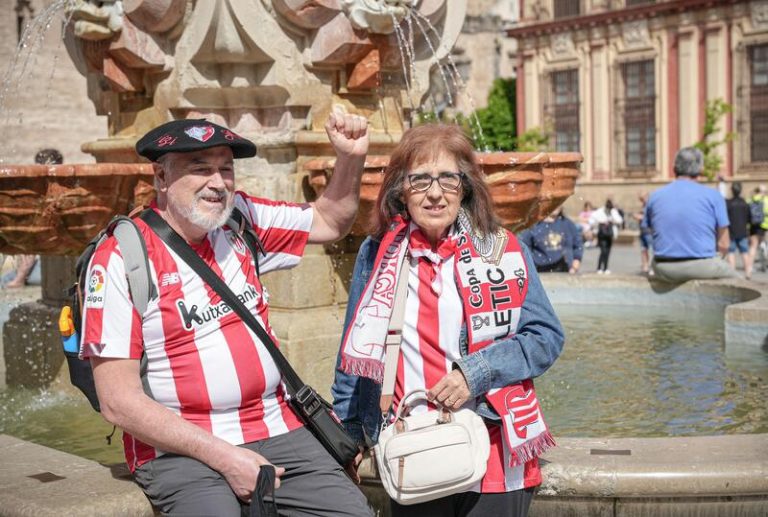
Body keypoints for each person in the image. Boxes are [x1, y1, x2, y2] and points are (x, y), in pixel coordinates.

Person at [80, 114, 374, 516]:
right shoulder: (121, 257)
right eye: (200, 168)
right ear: (161, 178)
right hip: (178, 449)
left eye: (226, 168)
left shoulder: (243, 221)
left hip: (278, 425)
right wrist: (225, 457)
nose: (218, 183)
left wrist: (349, 158)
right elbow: (118, 402)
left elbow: (329, 220)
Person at [332, 123, 564, 517]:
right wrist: (349, 436)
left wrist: (476, 372)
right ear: (400, 190)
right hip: (413, 450)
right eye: (420, 179)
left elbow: (545, 336)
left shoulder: (503, 248)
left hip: (494, 449)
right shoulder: (378, 254)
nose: (435, 193)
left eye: (448, 179)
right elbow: (353, 355)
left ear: (466, 186)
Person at [643, 147, 736, 282]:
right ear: (700, 169)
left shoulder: (654, 196)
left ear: (674, 168)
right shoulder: (714, 196)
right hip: (702, 266)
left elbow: (651, 230)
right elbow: (724, 244)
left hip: (663, 267)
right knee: (742, 283)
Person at [2, 149, 61, 288]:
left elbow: (32, 246)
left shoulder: (39, 196)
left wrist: (19, 278)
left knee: (4, 282)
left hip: (42, 268)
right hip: (52, 263)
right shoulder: (65, 190)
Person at [519, 206, 583, 273]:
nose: (557, 205)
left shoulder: (567, 223)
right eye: (554, 202)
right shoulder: (534, 226)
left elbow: (578, 245)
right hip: (541, 270)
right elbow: (524, 246)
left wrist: (574, 267)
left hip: (565, 269)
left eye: (559, 202)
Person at [726, 182, 753, 279]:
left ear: (732, 190)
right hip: (742, 232)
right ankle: (748, 273)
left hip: (731, 232)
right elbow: (750, 218)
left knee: (731, 252)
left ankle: (733, 274)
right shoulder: (745, 203)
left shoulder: (728, 203)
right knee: (745, 252)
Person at [589, 199, 623, 274]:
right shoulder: (600, 211)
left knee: (608, 251)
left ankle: (606, 268)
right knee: (603, 251)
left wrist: (612, 220)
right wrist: (601, 222)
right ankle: (599, 268)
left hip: (609, 234)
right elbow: (592, 220)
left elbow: (620, 220)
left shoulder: (613, 211)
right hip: (602, 234)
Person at [747, 185, 768, 270]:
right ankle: (764, 264)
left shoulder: (750, 200)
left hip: (753, 226)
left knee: (753, 246)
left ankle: (749, 267)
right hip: (765, 225)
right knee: (764, 244)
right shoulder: (766, 200)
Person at [633, 193, 653, 276]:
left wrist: (641, 217)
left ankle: (652, 268)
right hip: (642, 231)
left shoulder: (651, 207)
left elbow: (651, 217)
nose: (642, 200)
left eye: (643, 198)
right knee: (643, 250)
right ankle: (645, 267)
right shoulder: (643, 207)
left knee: (651, 251)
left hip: (649, 231)